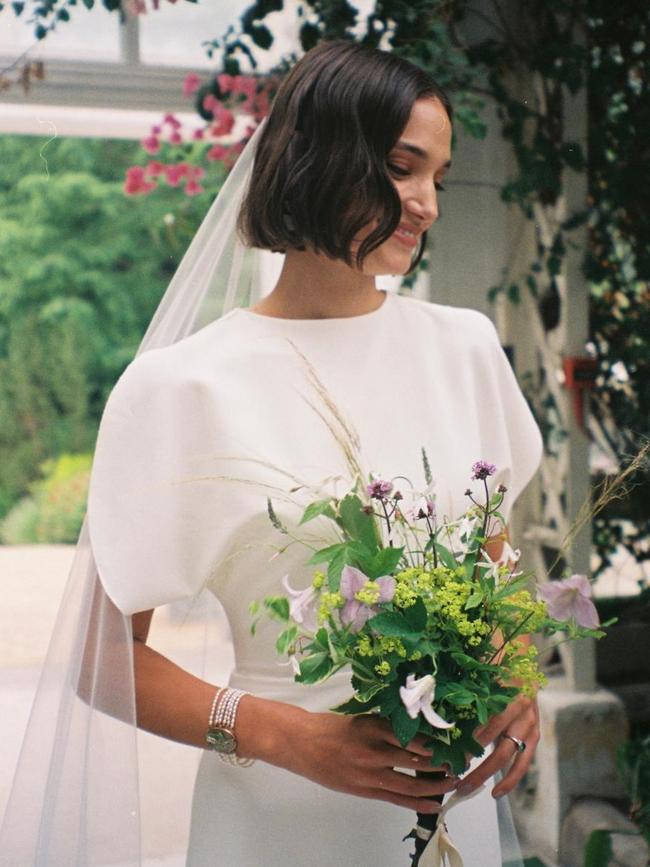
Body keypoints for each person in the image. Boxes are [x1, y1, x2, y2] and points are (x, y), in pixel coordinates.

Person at [1, 40, 542, 866]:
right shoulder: (180, 388)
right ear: (324, 157)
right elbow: (100, 660)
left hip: (447, 814)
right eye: (403, 167)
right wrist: (284, 734)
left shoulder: (465, 349)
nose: (428, 202)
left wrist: (519, 676)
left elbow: (494, 570)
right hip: (277, 818)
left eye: (438, 173)